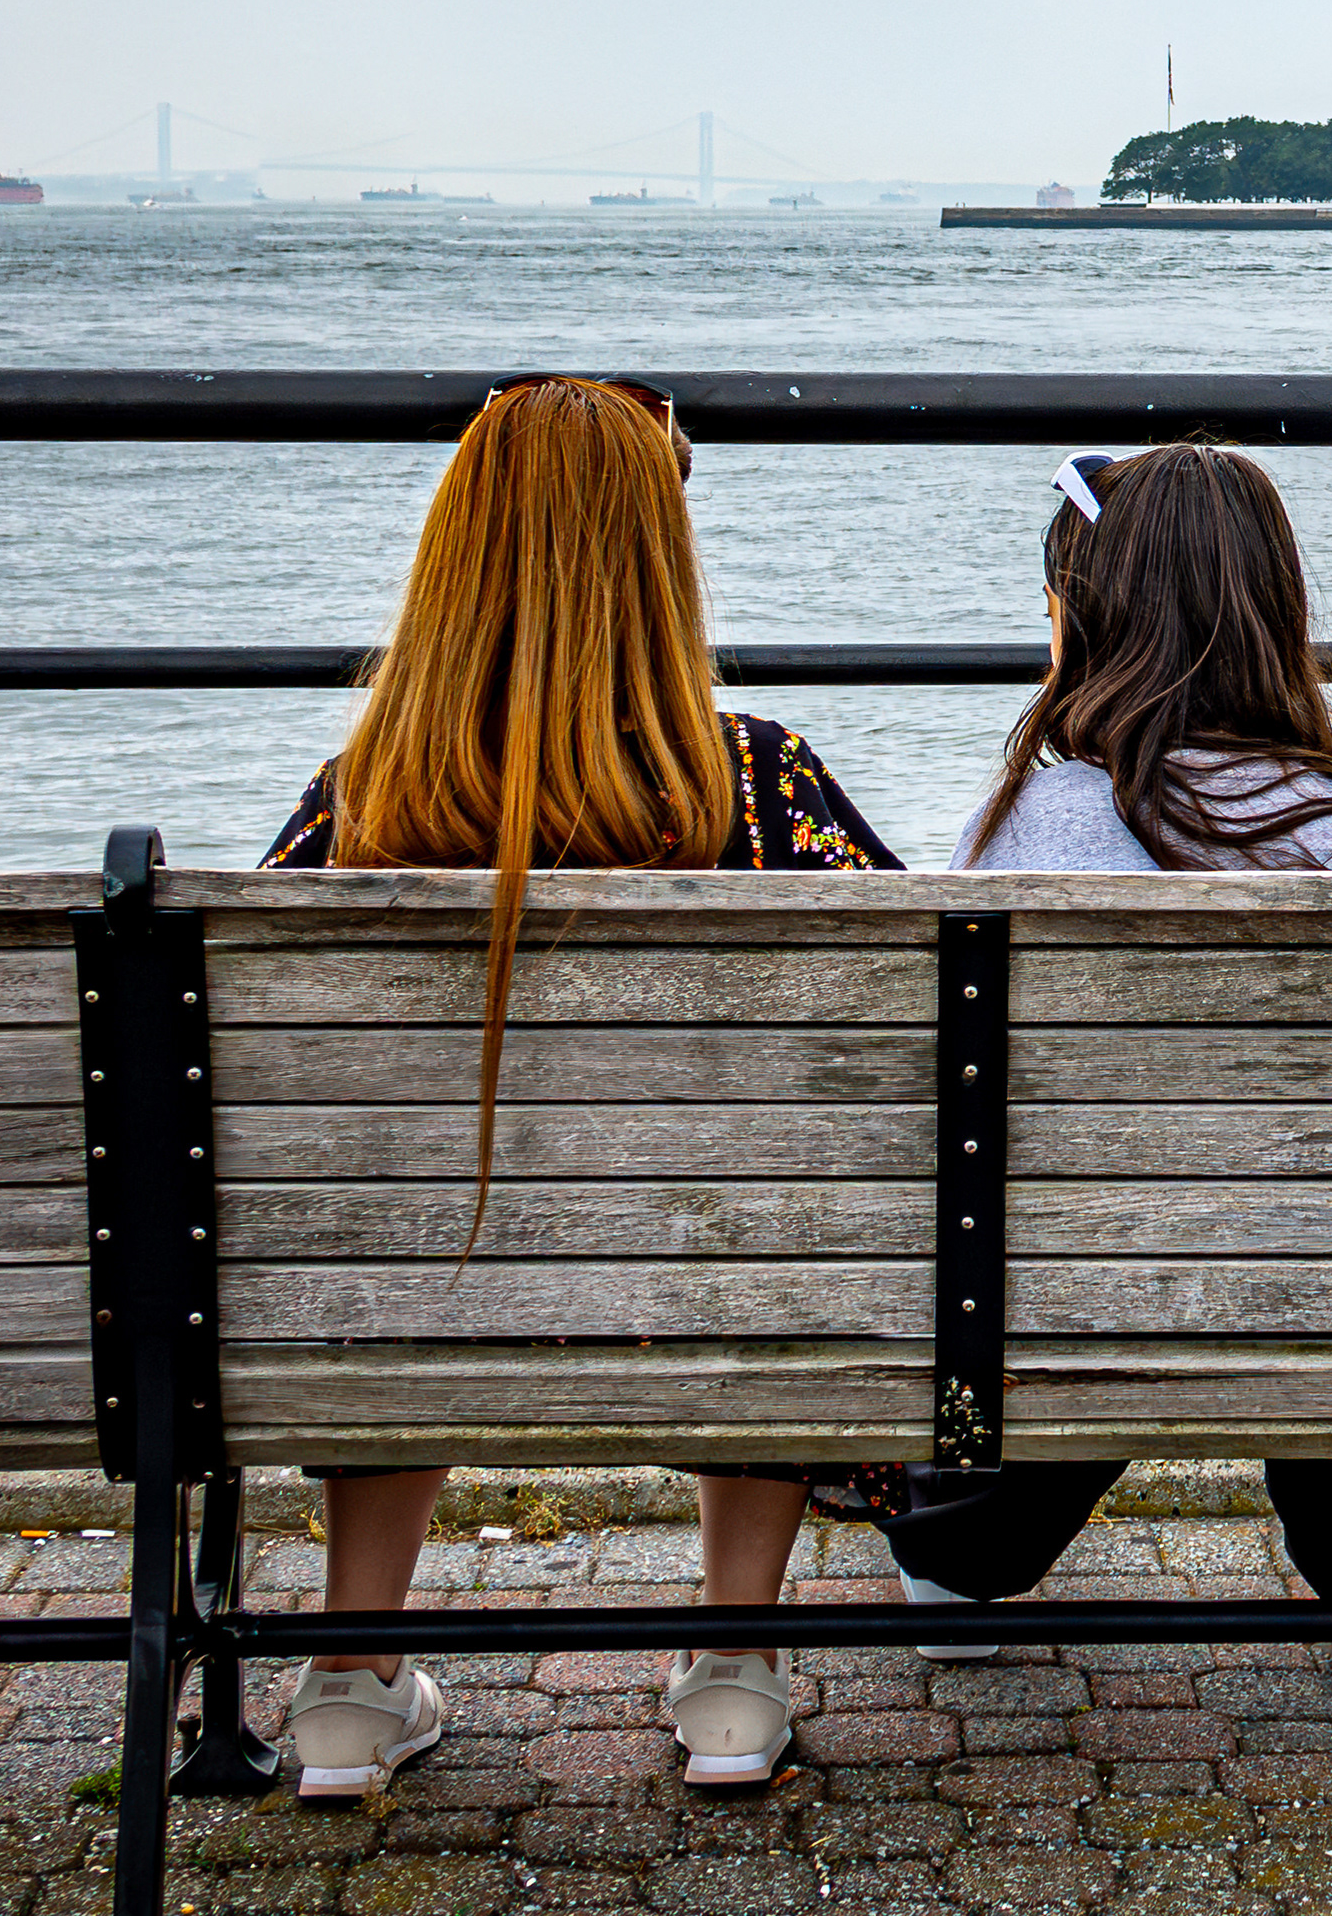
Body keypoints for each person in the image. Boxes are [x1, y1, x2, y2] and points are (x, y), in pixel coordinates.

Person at [257, 376, 901, 1799]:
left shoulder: (362, 797)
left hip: (431, 1301)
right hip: (697, 1298)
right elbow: (911, 1050)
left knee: (381, 1229)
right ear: (662, 563)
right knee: (779, 1215)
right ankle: (732, 1668)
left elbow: (263, 1112)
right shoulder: (763, 788)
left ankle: (349, 1678)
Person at [888, 441, 1332, 1677]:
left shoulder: (1025, 825)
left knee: (1049, 1241)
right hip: (1319, 1305)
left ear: (1094, 616)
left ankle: (957, 1550)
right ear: (1277, 611)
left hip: (1077, 1294)